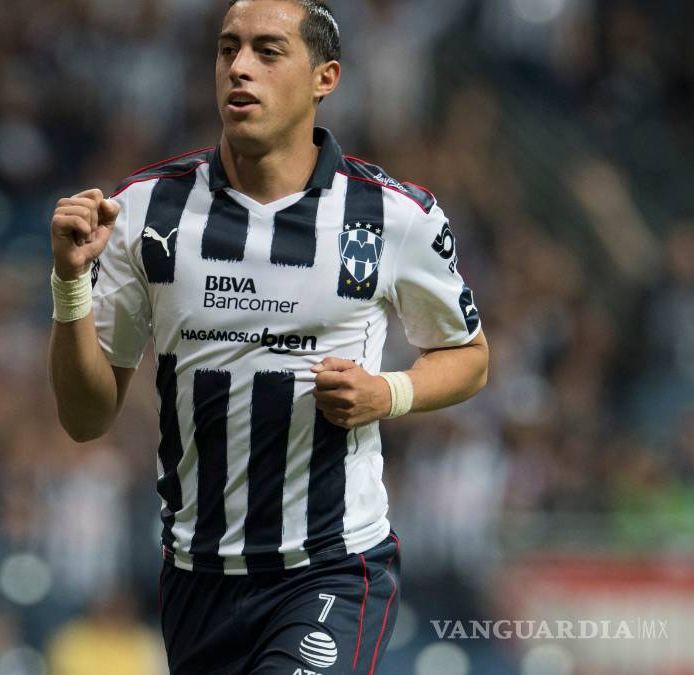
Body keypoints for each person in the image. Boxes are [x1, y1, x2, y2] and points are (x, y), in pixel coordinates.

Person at [47, 1, 489, 673]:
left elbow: (469, 357)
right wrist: (69, 283)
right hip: (197, 577)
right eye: (228, 49)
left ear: (325, 78)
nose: (239, 68)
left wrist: (388, 393)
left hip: (331, 567)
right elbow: (85, 418)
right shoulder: (144, 209)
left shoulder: (394, 215)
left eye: (268, 51)